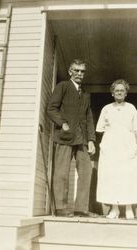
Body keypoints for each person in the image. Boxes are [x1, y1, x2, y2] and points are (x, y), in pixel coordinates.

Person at [47, 59, 96, 217]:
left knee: (87, 171)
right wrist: (63, 124)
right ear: (70, 72)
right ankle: (61, 208)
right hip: (65, 137)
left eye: (82, 71)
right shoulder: (63, 87)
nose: (80, 74)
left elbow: (89, 118)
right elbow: (52, 108)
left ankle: (81, 208)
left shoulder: (85, 94)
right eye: (76, 70)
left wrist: (91, 140)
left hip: (82, 139)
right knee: (61, 172)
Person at [96, 79, 137, 219]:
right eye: (116, 90)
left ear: (126, 93)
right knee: (112, 177)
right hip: (110, 147)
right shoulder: (106, 109)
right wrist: (103, 146)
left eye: (122, 90)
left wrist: (135, 147)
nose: (119, 92)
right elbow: (100, 130)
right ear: (112, 93)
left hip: (127, 146)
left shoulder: (131, 108)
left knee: (127, 176)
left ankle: (128, 208)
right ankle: (115, 209)